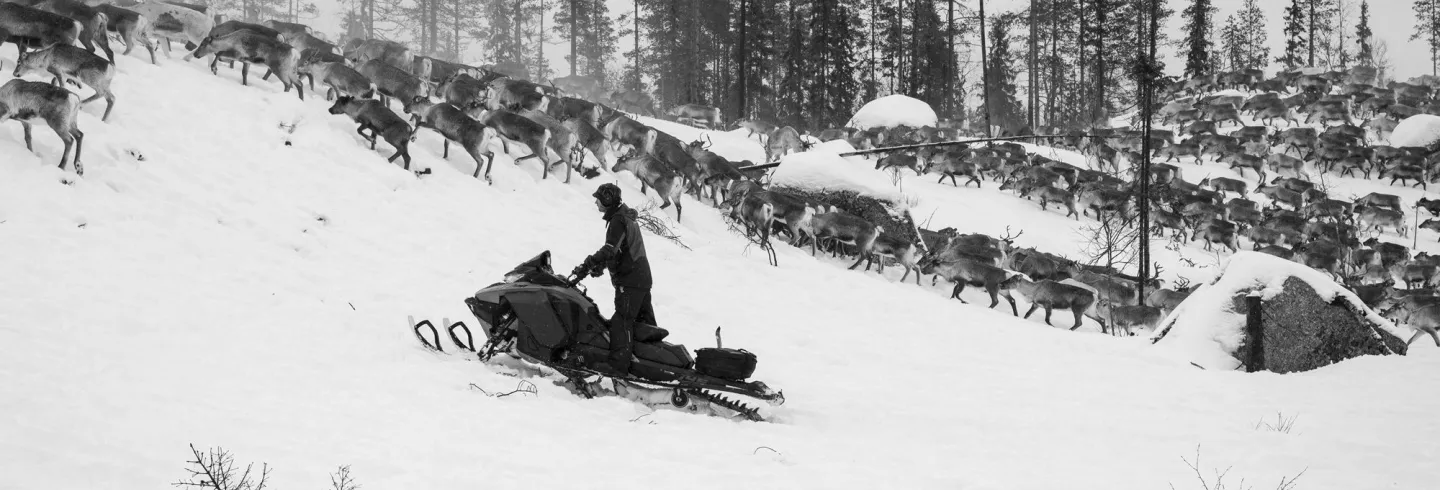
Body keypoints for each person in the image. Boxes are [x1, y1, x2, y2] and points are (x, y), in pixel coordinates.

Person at [573, 183, 656, 375]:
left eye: (598, 198)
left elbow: (610, 249)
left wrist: (588, 265)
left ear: (608, 199)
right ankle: (652, 363)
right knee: (645, 324)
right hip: (641, 277)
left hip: (630, 280)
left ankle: (618, 366)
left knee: (622, 321)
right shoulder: (624, 217)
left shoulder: (618, 220)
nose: (596, 201)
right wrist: (600, 266)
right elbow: (619, 250)